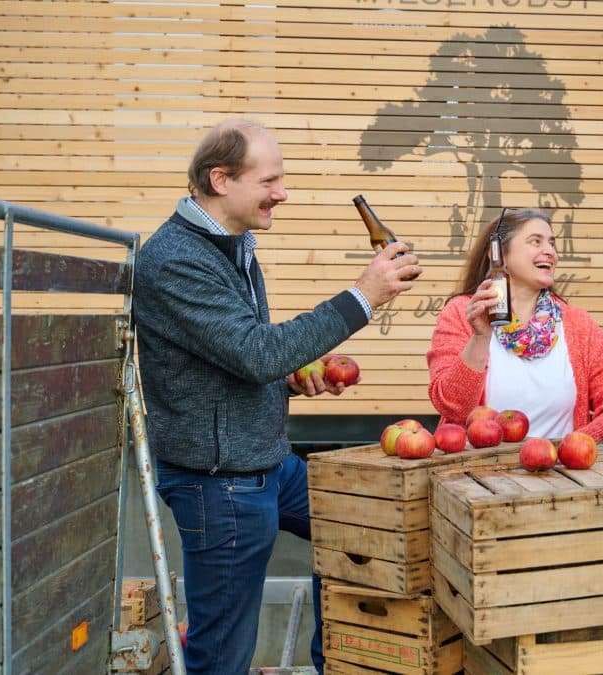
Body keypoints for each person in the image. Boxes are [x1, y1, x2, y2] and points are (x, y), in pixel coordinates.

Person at [133, 119, 420, 674]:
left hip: (265, 462)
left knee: (359, 522)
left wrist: (287, 378)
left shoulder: (231, 244)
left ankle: (326, 664)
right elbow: (255, 351)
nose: (282, 193)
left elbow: (235, 353)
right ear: (221, 179)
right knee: (223, 655)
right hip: (221, 483)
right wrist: (364, 296)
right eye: (269, 181)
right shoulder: (175, 260)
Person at [427, 208, 603, 441]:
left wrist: (570, 447)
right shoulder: (461, 313)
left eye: (552, 243)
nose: (549, 251)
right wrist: (480, 338)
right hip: (477, 473)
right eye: (535, 241)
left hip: (561, 472)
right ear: (499, 254)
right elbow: (453, 409)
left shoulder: (580, 325)